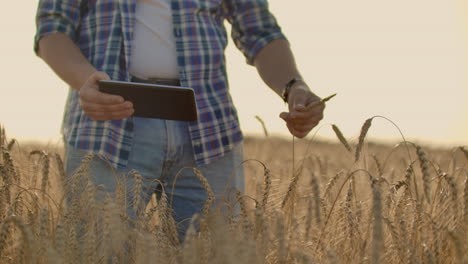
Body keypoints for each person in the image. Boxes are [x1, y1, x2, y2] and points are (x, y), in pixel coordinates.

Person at [34, 0, 325, 237]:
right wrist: (88, 81)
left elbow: (259, 30)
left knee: (214, 254)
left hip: (210, 126)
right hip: (106, 126)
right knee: (97, 253)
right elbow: (53, 26)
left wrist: (293, 87)